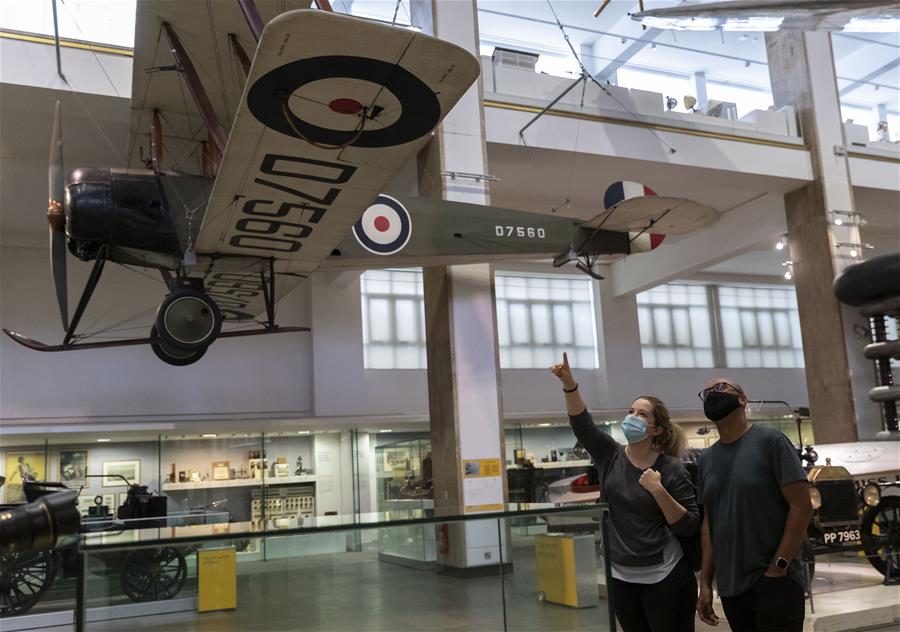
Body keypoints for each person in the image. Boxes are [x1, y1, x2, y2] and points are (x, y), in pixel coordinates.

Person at [550, 352, 699, 632]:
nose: (632, 417)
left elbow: (690, 526)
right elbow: (582, 425)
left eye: (641, 414)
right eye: (630, 411)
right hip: (621, 576)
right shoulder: (610, 455)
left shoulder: (672, 469)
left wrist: (659, 491)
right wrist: (569, 384)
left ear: (655, 430)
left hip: (666, 575)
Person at [695, 378, 813, 632]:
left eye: (720, 388)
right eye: (706, 393)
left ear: (742, 399)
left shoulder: (771, 442)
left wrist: (779, 567)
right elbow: (709, 522)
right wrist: (706, 582)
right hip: (731, 586)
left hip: (774, 581)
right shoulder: (706, 460)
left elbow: (802, 506)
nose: (712, 394)